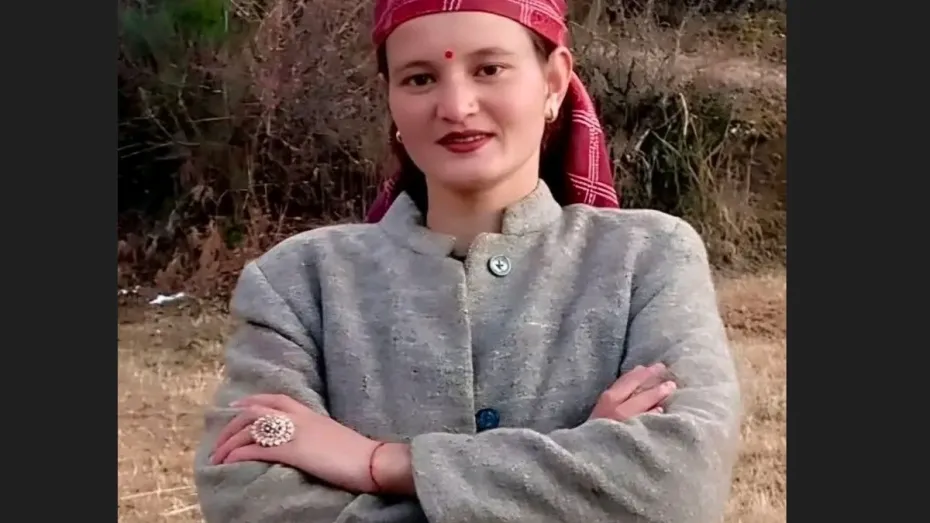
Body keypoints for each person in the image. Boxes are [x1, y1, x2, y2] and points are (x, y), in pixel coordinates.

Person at [192, 1, 742, 522]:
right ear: (391, 98)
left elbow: (679, 487)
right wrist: (579, 487)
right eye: (419, 79)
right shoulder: (300, 281)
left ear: (553, 81)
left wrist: (381, 463)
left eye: (490, 69)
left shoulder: (646, 258)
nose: (455, 107)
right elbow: (249, 497)